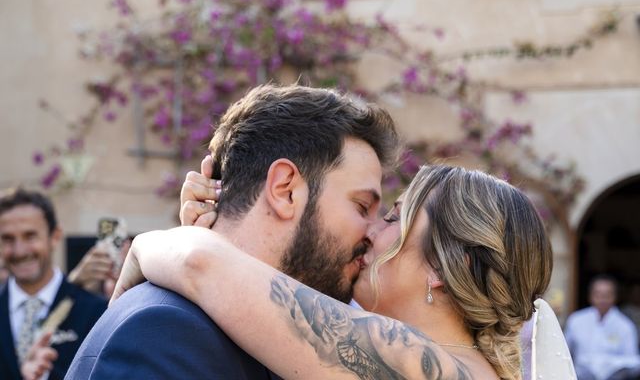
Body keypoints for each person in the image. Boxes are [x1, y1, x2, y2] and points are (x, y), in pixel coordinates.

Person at [112, 163, 576, 379]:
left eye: (395, 219)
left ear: (443, 265)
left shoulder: (425, 369)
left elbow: (200, 264)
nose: (372, 232)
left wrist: (144, 249)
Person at [65, 84, 399, 379]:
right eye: (361, 207)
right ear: (286, 190)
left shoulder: (268, 335)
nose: (373, 233)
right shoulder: (166, 331)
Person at [0, 188, 107, 380]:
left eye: (30, 236)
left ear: (55, 236)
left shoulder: (97, 312)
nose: (19, 251)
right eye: (8, 239)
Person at [565, 275, 640, 380]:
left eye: (607, 294)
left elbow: (633, 362)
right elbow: (565, 353)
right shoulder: (576, 320)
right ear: (590, 296)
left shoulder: (625, 325)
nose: (602, 299)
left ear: (615, 296)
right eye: (598, 294)